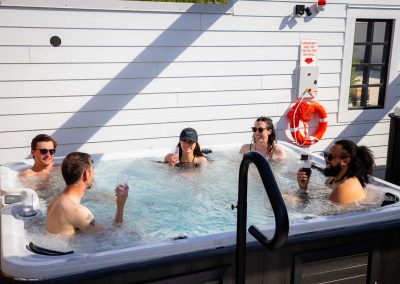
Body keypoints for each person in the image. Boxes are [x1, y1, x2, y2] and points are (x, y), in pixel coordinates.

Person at [46, 152, 128, 235]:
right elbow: (111, 236)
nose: (93, 175)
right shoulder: (78, 211)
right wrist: (120, 205)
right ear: (85, 175)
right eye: (92, 170)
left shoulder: (55, 200)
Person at [297, 139, 375, 205]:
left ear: (345, 161)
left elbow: (323, 217)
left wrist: (300, 198)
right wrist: (303, 187)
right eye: (326, 155)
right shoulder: (333, 179)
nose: (326, 159)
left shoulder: (342, 189)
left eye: (331, 157)